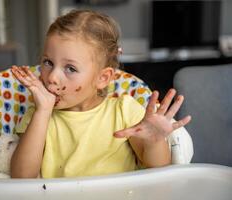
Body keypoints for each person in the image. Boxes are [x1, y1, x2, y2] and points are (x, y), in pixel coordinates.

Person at [10, 10, 191, 178]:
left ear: (103, 78)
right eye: (48, 62)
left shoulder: (124, 111)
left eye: (70, 68)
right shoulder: (40, 116)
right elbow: (22, 177)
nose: (52, 77)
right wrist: (42, 113)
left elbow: (158, 170)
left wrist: (154, 142)